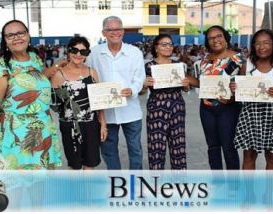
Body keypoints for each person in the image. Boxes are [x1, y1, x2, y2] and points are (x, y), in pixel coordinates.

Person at [0, 20, 62, 169]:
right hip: (15, 134)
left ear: (28, 35)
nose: (16, 37)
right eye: (10, 35)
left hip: (42, 128)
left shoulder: (34, 57)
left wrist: (58, 65)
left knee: (40, 180)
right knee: (19, 181)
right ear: (5, 40)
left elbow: (37, 78)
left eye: (20, 33)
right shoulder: (0, 65)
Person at [87, 16, 145, 170]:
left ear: (123, 31)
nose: (115, 32)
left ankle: (135, 182)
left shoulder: (134, 52)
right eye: (110, 29)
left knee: (135, 149)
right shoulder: (94, 53)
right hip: (106, 114)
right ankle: (116, 181)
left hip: (131, 111)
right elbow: (87, 76)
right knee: (108, 150)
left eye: (118, 29)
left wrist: (132, 89)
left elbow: (140, 77)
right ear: (103, 33)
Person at [189, 26, 246, 170]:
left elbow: (246, 85)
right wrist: (187, 78)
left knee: (228, 147)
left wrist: (233, 98)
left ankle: (233, 186)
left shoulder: (239, 59)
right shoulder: (204, 61)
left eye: (219, 36)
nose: (215, 40)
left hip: (229, 109)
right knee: (212, 147)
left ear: (226, 38)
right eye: (211, 38)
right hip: (206, 108)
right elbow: (202, 83)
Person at [233, 29, 273, 170]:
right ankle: (249, 191)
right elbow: (239, 90)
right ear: (253, 46)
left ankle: (268, 192)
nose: (262, 47)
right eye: (257, 43)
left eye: (266, 43)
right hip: (251, 114)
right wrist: (235, 87)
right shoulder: (247, 64)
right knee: (249, 155)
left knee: (272, 157)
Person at [50, 36, 106, 170]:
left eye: (84, 52)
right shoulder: (58, 75)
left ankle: (87, 191)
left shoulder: (92, 72)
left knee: (90, 164)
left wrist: (103, 124)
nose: (79, 54)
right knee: (74, 165)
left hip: (92, 125)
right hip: (69, 127)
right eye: (75, 50)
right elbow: (54, 105)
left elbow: (99, 102)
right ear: (68, 51)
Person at [142, 34, 190, 170]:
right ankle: (157, 182)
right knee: (156, 146)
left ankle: (179, 182)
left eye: (170, 44)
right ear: (156, 48)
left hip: (177, 107)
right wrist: (144, 84)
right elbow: (141, 92)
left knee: (178, 145)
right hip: (156, 108)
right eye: (164, 44)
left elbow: (185, 89)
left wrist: (186, 84)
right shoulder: (148, 66)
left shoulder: (178, 65)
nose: (168, 47)